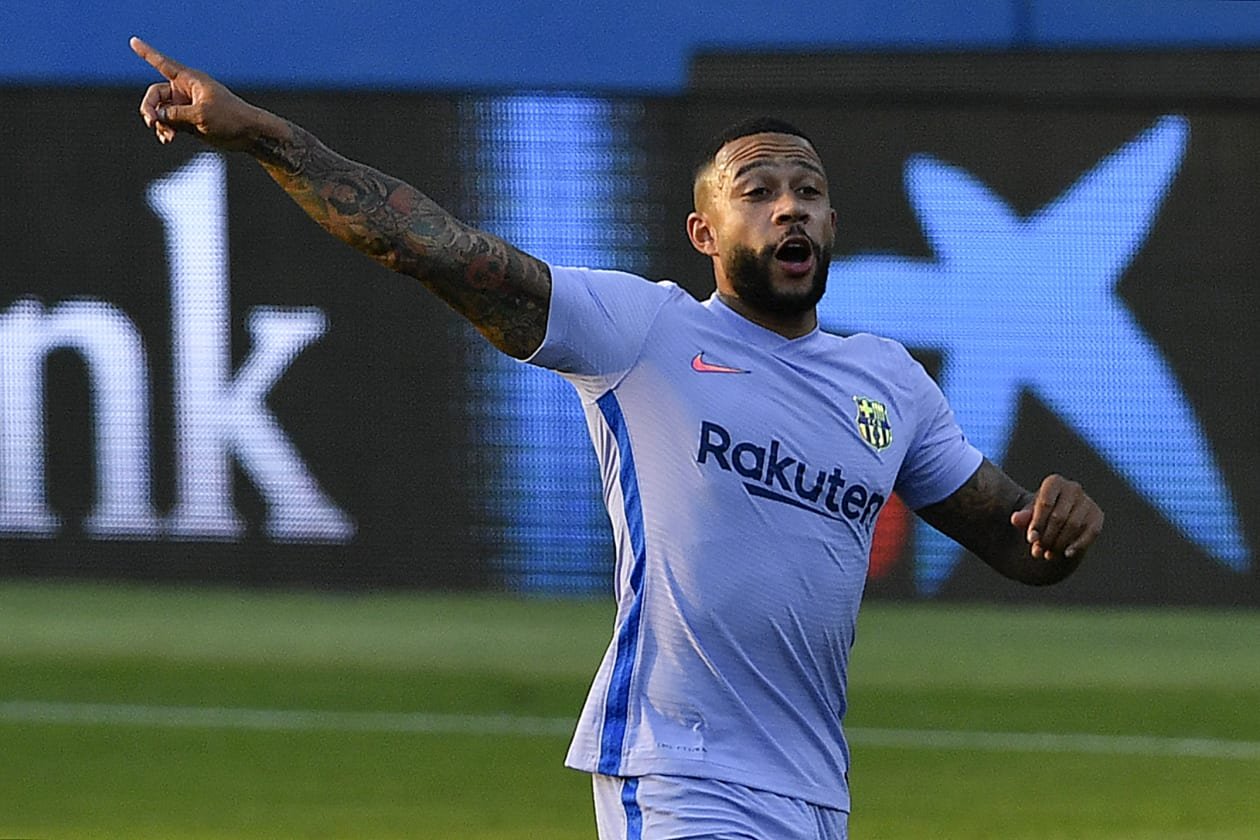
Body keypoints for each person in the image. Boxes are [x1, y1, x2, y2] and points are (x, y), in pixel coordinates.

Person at [131, 36, 1104, 840]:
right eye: (757, 189)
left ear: (832, 222)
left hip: (814, 792)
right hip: (678, 773)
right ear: (703, 233)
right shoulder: (646, 332)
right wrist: (266, 136)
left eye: (807, 190)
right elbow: (433, 247)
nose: (789, 205)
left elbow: (1016, 542)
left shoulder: (888, 382)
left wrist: (1056, 530)